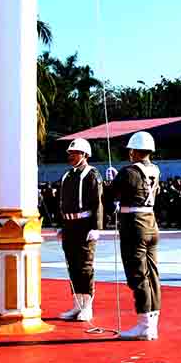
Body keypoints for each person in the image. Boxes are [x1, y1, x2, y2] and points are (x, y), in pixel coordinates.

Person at [113, 131, 161, 340]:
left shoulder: (128, 172)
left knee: (138, 274)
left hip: (134, 225)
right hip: (151, 222)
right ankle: (152, 323)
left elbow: (110, 195)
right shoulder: (156, 170)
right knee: (152, 274)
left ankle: (144, 325)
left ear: (134, 151)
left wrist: (111, 182)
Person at [57, 138, 103, 322]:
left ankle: (87, 306)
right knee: (72, 265)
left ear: (85, 154)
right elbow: (62, 203)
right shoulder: (67, 176)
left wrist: (96, 227)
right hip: (70, 226)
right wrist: (62, 225)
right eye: (70, 153)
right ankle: (77, 304)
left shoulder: (92, 174)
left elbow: (98, 202)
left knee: (85, 266)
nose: (71, 156)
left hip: (85, 225)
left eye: (75, 153)